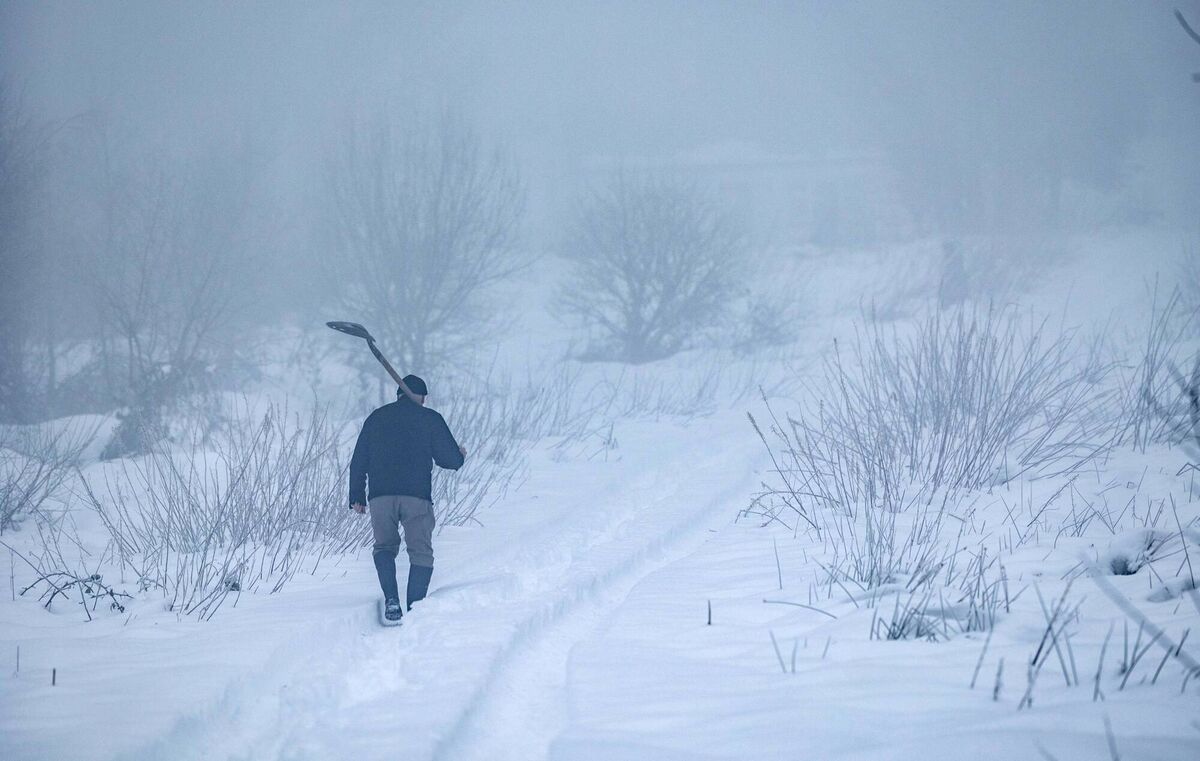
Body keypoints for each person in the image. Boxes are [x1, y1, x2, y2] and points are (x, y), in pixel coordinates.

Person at [349, 374, 466, 623]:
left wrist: (356, 494)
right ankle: (415, 610)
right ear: (420, 396)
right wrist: (460, 455)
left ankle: (392, 600)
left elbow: (359, 459)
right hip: (417, 498)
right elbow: (450, 460)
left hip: (381, 497)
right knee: (421, 552)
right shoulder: (429, 419)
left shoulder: (377, 418)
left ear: (399, 394)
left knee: (384, 548)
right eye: (424, 398)